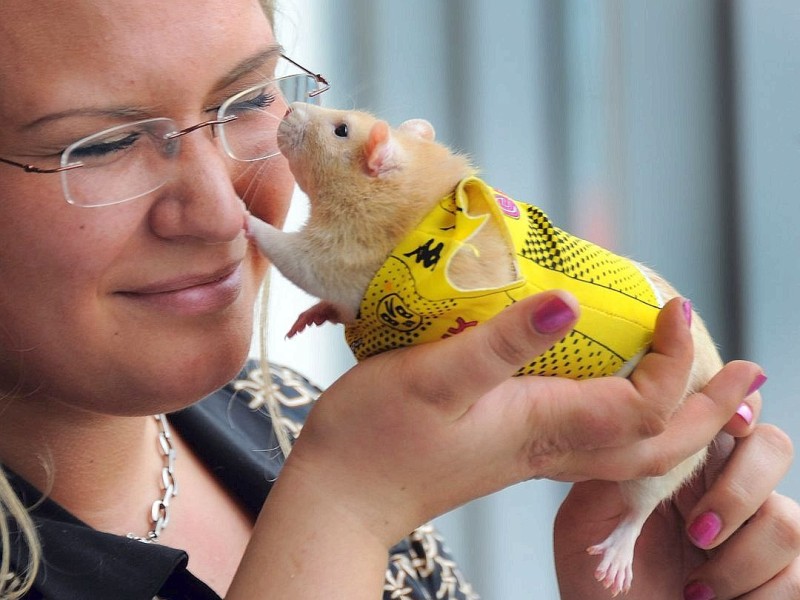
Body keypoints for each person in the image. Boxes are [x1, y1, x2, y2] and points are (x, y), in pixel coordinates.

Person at [0, 1, 797, 599]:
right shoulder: (348, 459)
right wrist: (345, 507)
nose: (218, 215)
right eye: (99, 144)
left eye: (247, 100)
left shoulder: (291, 416)